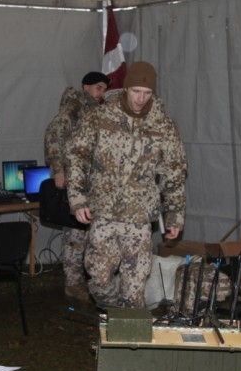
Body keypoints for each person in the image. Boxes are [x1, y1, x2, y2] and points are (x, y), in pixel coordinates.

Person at [66, 61, 187, 310]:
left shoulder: (163, 125)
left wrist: (174, 215)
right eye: (136, 91)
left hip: (139, 218)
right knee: (99, 281)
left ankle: (129, 329)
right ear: (125, 88)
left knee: (134, 289)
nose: (141, 99)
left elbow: (174, 172)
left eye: (147, 93)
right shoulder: (100, 117)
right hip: (103, 213)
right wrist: (77, 199)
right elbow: (75, 155)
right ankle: (116, 313)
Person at [43, 71, 109, 304]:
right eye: (98, 88)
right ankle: (73, 283)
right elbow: (54, 134)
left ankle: (89, 281)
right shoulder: (74, 108)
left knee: (89, 233)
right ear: (86, 87)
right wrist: (59, 169)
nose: (102, 93)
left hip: (93, 182)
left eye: (104, 89)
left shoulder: (96, 110)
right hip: (77, 181)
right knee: (76, 234)